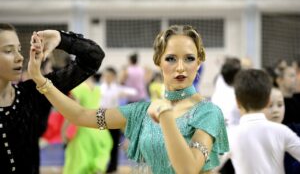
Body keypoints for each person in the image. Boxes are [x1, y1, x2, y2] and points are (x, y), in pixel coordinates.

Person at [28, 25, 229, 174]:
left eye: (189, 58)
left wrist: (165, 116)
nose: (180, 67)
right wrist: (40, 80)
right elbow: (81, 116)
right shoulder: (140, 112)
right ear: (158, 61)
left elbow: (188, 169)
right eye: (171, 58)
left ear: (199, 62)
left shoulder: (208, 112)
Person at [0, 23, 104, 174]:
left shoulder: (34, 92)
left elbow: (93, 57)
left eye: (19, 50)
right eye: (9, 51)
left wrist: (61, 38)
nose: (20, 57)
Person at [229, 69, 300, 174]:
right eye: (271, 105)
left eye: (280, 105)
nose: (276, 110)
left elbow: (206, 166)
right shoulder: (282, 131)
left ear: (237, 102)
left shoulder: (231, 135)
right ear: (267, 100)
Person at [62, 77, 113, 174]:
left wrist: (63, 130)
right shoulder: (97, 88)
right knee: (97, 155)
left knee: (78, 162)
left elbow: (73, 111)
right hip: (98, 127)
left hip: (83, 129)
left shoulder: (78, 88)